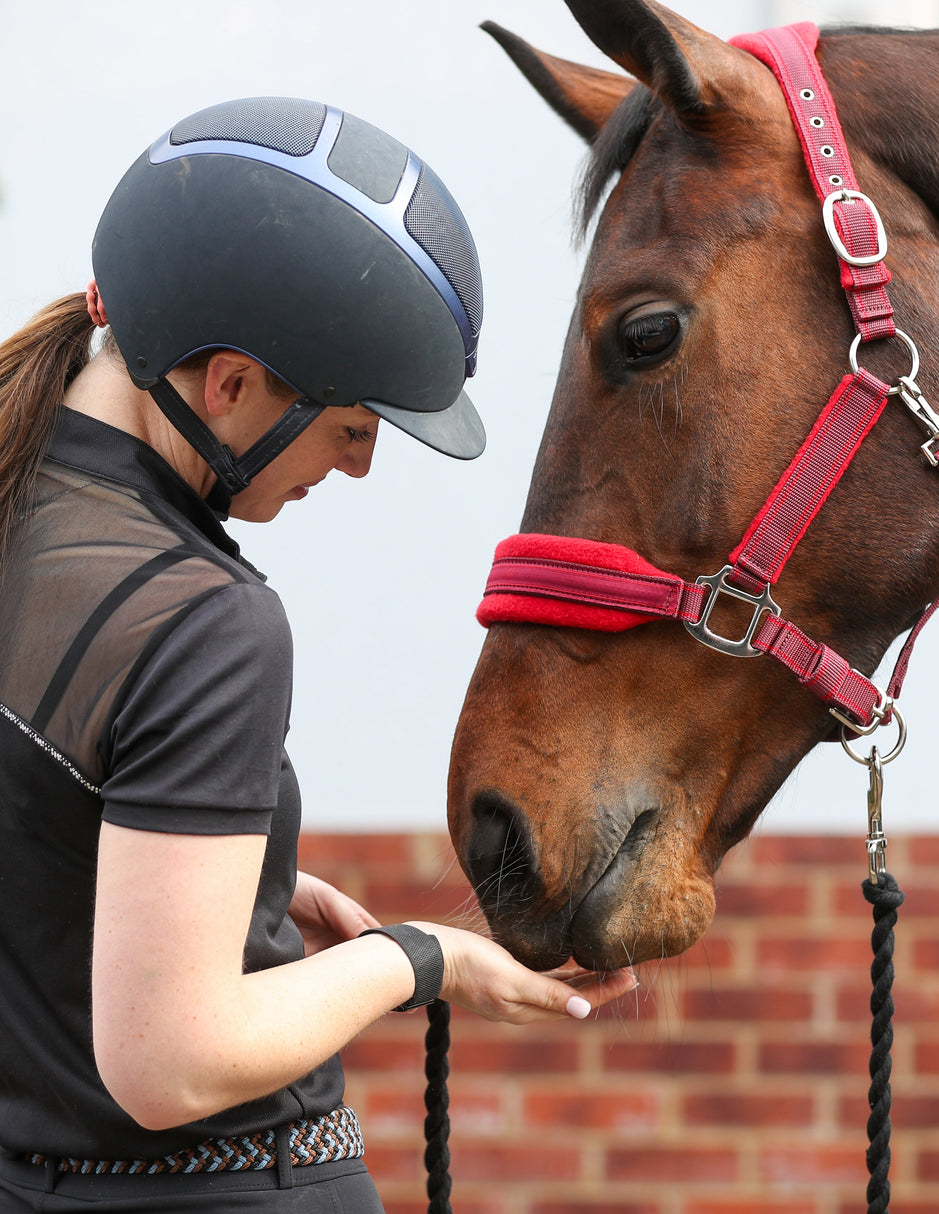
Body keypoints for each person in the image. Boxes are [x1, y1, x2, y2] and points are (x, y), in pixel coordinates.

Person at [0, 96, 636, 1213]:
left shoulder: (23, 507)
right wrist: (424, 957)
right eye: (353, 427)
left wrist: (228, 886)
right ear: (233, 385)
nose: (359, 469)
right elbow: (169, 1062)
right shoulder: (197, 616)